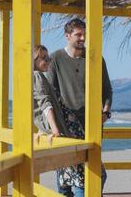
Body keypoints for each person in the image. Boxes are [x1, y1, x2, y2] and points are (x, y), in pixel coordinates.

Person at [45, 18, 113, 197]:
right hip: (66, 125)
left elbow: (107, 90)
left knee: (93, 172)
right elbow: (50, 94)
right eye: (78, 34)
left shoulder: (96, 58)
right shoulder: (55, 58)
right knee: (68, 172)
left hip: (92, 125)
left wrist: (105, 112)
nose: (83, 38)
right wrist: (53, 125)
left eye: (85, 34)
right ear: (67, 36)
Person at [33, 45, 74, 141]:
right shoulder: (37, 76)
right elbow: (45, 104)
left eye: (48, 58)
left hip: (49, 129)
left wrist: (41, 130)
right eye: (44, 58)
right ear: (33, 60)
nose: (48, 61)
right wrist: (55, 130)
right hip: (54, 129)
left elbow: (38, 107)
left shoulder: (37, 77)